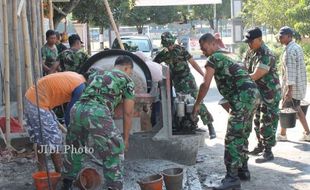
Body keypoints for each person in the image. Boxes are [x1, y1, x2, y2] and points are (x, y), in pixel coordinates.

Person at [193, 33, 260, 190]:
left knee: (232, 137)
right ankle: (243, 170)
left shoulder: (214, 58)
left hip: (242, 97)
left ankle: (232, 179)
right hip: (253, 95)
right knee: (242, 133)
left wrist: (197, 104)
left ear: (211, 44)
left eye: (203, 48)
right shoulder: (229, 55)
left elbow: (205, 84)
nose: (203, 52)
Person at [62, 55, 135, 190]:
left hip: (77, 109)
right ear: (126, 68)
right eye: (131, 71)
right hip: (96, 112)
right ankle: (114, 187)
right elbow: (128, 112)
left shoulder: (98, 73)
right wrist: (125, 139)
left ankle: (67, 183)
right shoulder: (126, 80)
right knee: (114, 149)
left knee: (75, 149)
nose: (130, 74)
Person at [153, 31, 216, 138]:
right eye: (167, 45)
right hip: (176, 82)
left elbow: (193, 63)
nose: (170, 46)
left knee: (198, 101)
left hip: (188, 80)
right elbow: (154, 65)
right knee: (180, 104)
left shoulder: (181, 49)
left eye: (171, 44)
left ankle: (210, 126)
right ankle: (188, 124)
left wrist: (203, 74)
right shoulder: (162, 54)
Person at [24, 72, 85, 173]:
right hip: (38, 102)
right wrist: (72, 132)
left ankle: (42, 172)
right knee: (55, 138)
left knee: (41, 138)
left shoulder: (79, 77)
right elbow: (69, 113)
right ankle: (60, 173)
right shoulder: (81, 88)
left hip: (33, 97)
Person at [242, 27, 282, 162]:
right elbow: (244, 67)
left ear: (259, 40)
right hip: (258, 94)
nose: (249, 44)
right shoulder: (251, 51)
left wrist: (238, 78)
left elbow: (255, 75)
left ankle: (268, 151)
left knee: (268, 121)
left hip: (270, 94)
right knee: (257, 120)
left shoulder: (267, 54)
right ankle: (260, 145)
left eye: (251, 42)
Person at [277, 26, 310, 141]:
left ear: (289, 37)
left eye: (282, 36)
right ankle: (283, 134)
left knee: (294, 107)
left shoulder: (289, 51)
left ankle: (306, 133)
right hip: (299, 83)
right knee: (292, 107)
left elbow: (290, 72)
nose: (280, 38)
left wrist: (289, 91)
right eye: (279, 36)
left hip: (293, 86)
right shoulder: (296, 47)